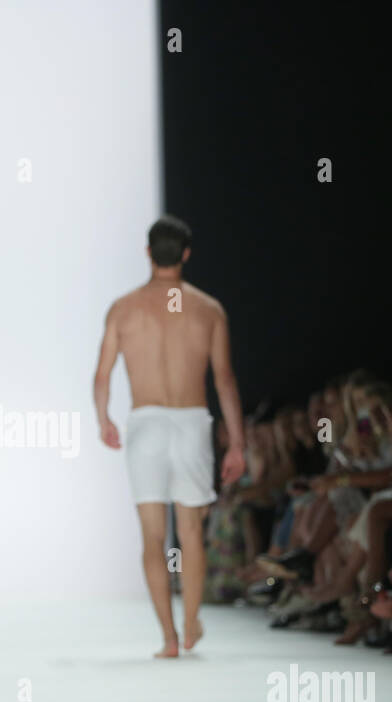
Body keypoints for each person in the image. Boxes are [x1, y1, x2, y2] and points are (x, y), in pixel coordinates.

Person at [93, 215, 246, 657]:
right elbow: (225, 380)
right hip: (192, 422)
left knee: (152, 536)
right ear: (185, 254)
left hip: (146, 425)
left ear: (147, 252)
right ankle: (192, 619)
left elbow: (102, 375)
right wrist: (237, 442)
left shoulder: (123, 309)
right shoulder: (208, 309)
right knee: (192, 533)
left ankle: (168, 638)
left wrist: (104, 417)